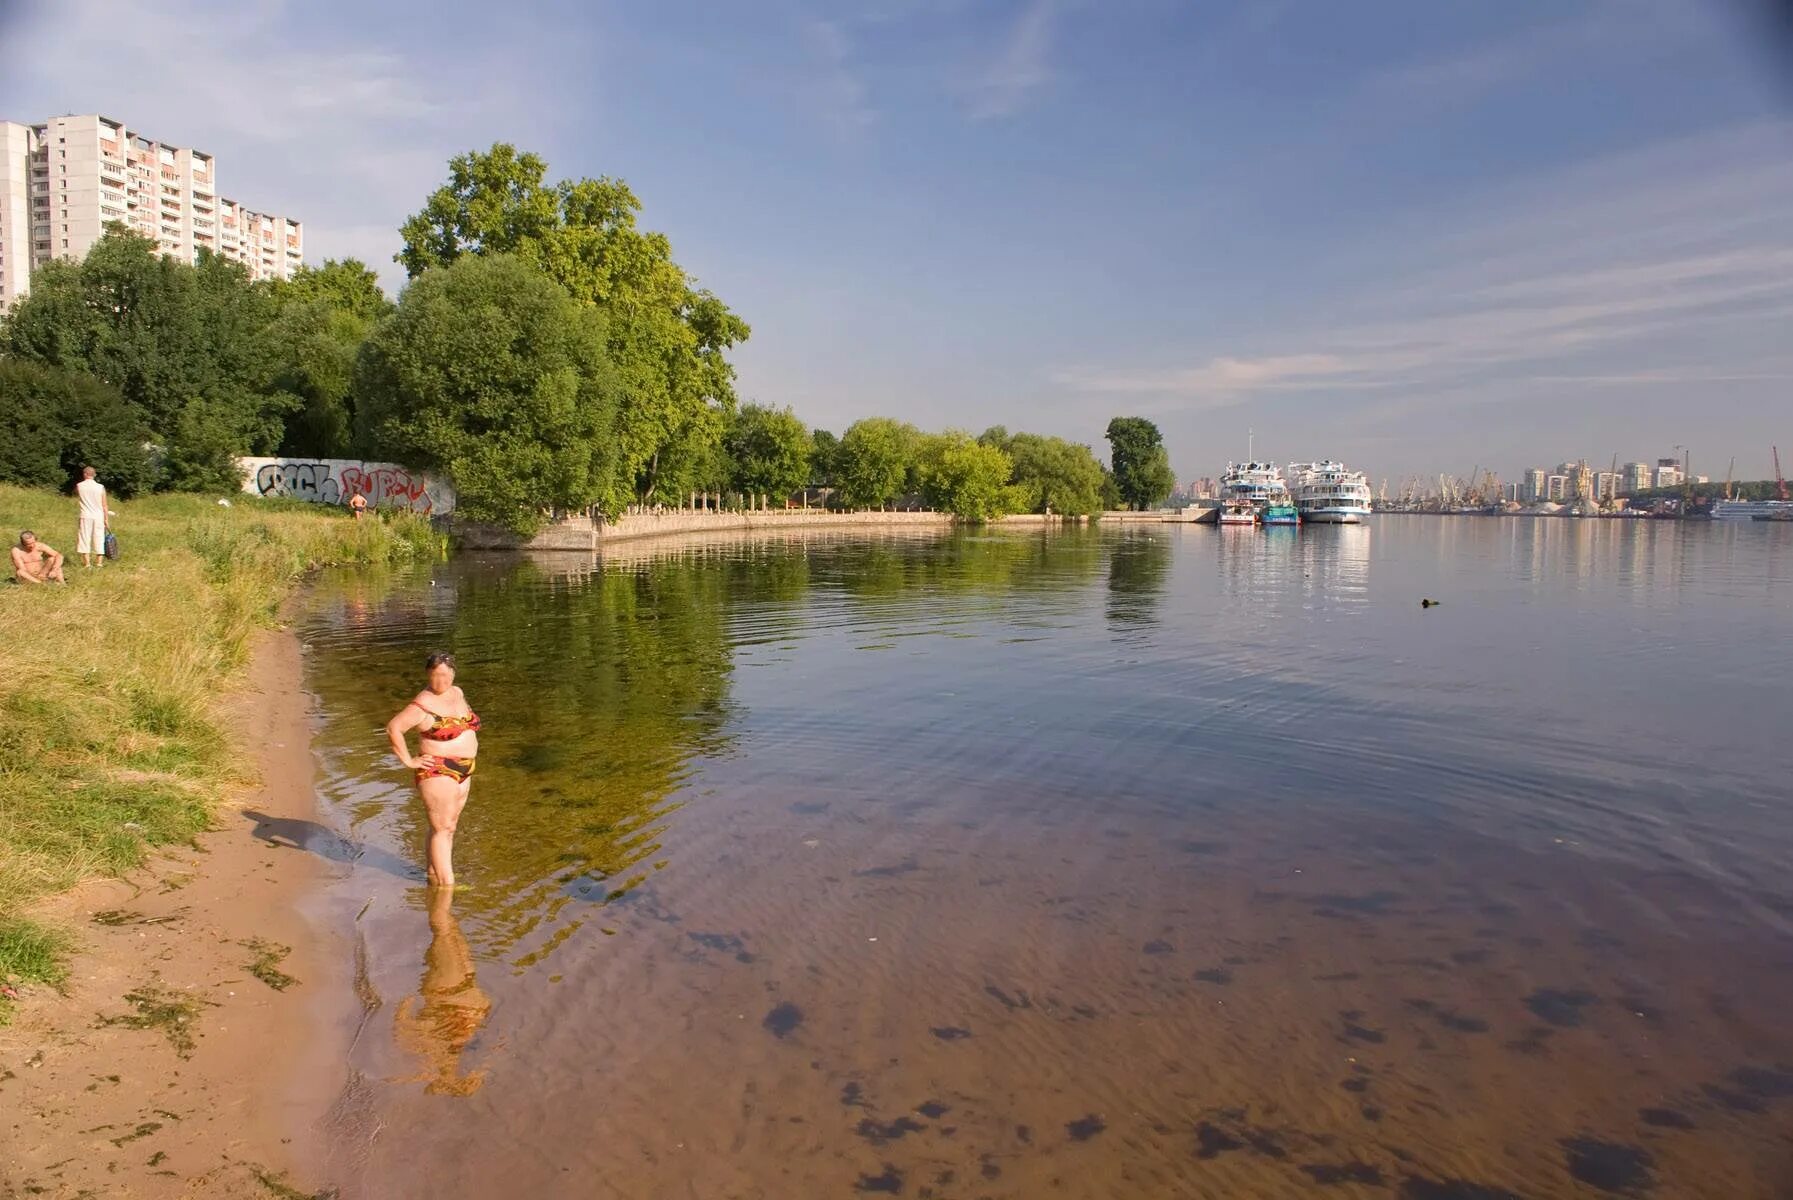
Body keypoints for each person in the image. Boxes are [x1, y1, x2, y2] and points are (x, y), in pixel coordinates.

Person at [385, 652, 481, 888]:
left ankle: (433, 874)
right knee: (442, 828)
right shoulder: (422, 704)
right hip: (437, 770)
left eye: (445, 675)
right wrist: (409, 761)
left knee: (449, 827)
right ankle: (447, 887)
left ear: (453, 674)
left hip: (464, 769)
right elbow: (394, 728)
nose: (440, 681)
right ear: (428, 675)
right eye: (435, 675)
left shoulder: (457, 692)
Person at [392, 885, 491, 1096]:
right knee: (446, 927)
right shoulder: (437, 1046)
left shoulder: (434, 1046)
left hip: (454, 986)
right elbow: (404, 1025)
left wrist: (406, 1006)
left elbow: (404, 1025)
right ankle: (437, 886)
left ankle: (437, 888)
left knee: (445, 927)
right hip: (456, 985)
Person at [75, 466, 108, 568]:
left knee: (84, 538)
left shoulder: (79, 485)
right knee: (99, 537)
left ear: (85, 474)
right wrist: (106, 519)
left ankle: (87, 564)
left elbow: (76, 494)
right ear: (94, 475)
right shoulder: (100, 487)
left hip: (85, 515)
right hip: (98, 515)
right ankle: (99, 563)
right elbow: (104, 505)